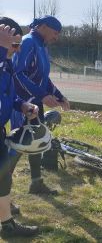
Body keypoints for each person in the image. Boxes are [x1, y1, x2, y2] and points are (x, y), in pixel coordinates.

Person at [11, 15, 70, 195]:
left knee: (36, 141)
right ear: (43, 27)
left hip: (35, 103)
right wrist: (42, 95)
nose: (56, 37)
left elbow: (43, 79)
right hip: (22, 104)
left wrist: (59, 96)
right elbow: (17, 75)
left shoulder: (42, 47)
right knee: (17, 146)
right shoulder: (27, 42)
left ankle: (36, 183)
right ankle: (4, 194)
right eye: (55, 32)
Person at [0, 17, 40, 237]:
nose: (16, 50)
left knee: (3, 176)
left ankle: (7, 225)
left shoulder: (6, 64)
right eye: (13, 44)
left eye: (18, 45)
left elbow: (8, 95)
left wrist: (22, 105)